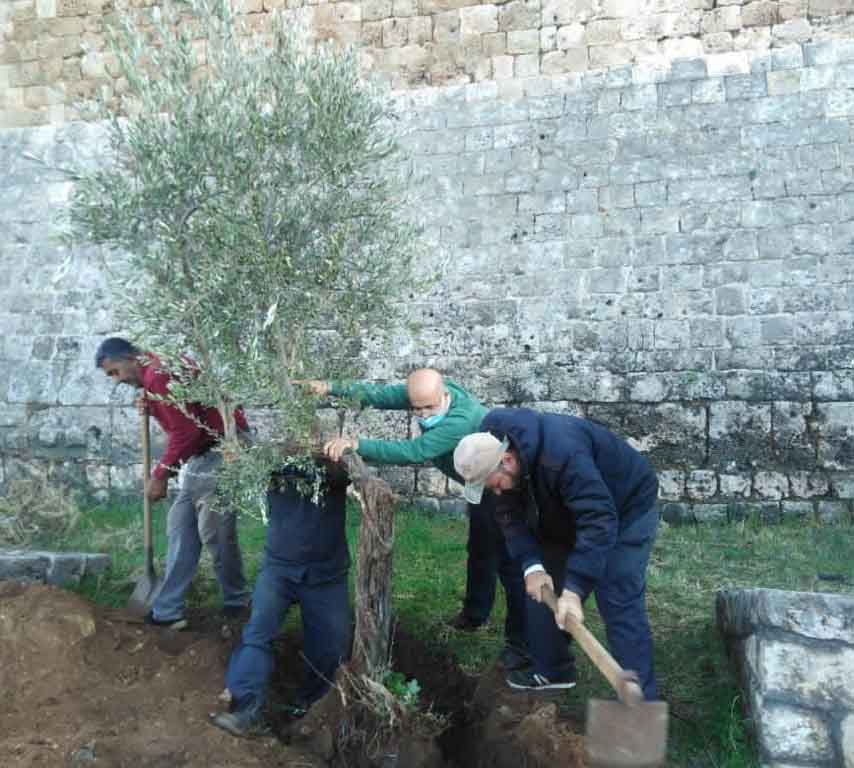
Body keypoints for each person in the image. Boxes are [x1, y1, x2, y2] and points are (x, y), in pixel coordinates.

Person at [303, 369, 528, 668]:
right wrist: (329, 386)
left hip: (500, 486)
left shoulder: (459, 421)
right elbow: (379, 395)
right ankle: (475, 615)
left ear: (444, 394)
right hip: (480, 485)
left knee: (511, 564)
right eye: (416, 408)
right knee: (480, 551)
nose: (422, 414)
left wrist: (357, 445)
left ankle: (521, 645)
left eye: (429, 407)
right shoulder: (426, 393)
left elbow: (414, 451)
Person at [453, 408, 660, 699]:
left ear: (508, 461)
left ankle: (641, 700)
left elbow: (598, 521)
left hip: (626, 505)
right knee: (543, 586)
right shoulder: (492, 449)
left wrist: (574, 589)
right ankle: (553, 671)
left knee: (617, 593)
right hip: (562, 509)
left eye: (496, 485)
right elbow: (508, 515)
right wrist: (531, 565)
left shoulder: (563, 453)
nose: (496, 493)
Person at [95, 337, 250, 629]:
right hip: (204, 454)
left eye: (115, 372)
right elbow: (186, 413)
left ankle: (237, 603)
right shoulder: (156, 372)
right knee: (180, 527)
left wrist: (160, 475)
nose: (116, 380)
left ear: (130, 358)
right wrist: (152, 404)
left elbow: (187, 432)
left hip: (224, 449)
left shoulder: (159, 375)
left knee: (215, 532)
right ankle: (167, 612)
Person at [211, 461, 352, 737]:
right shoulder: (270, 460)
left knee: (331, 648)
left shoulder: (336, 463)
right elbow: (243, 463)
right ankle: (245, 710)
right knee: (258, 634)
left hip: (326, 574)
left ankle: (309, 710)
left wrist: (332, 458)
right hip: (279, 568)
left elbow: (345, 472)